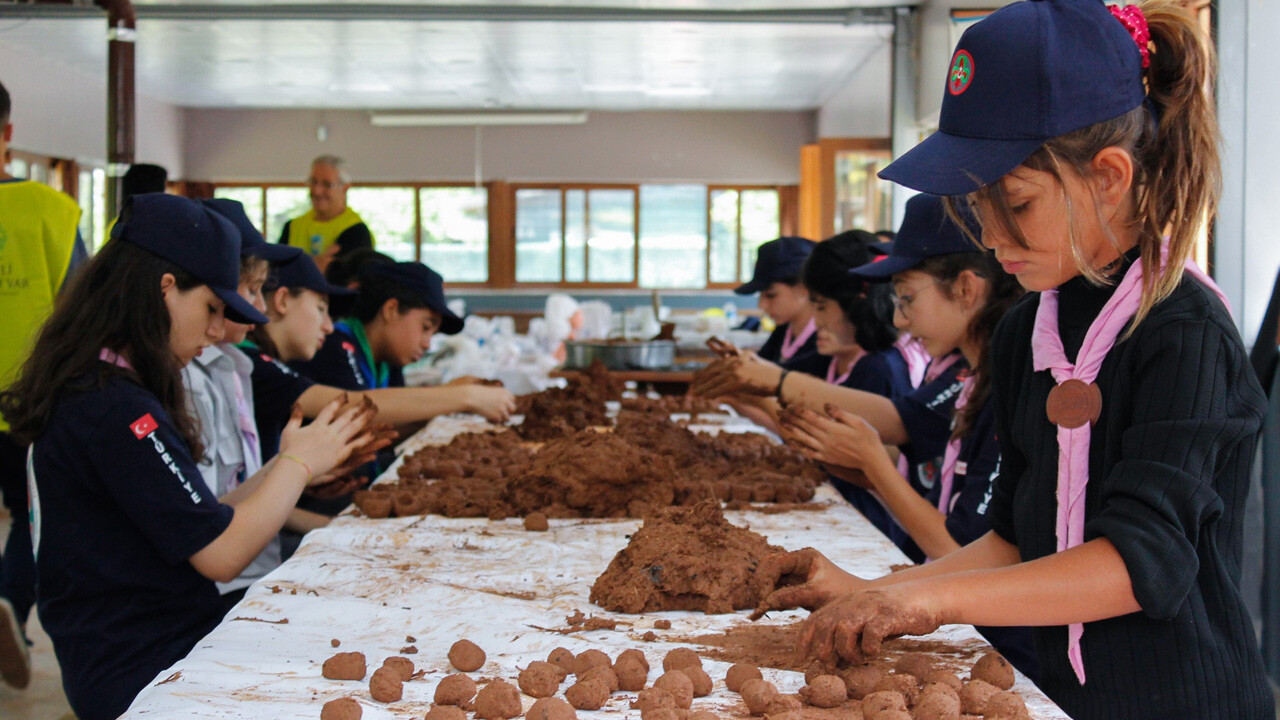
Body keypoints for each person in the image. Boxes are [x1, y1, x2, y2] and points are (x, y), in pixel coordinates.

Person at [780, 2, 1273, 718]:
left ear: (1109, 176)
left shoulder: (1184, 334)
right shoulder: (1023, 333)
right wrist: (872, 589)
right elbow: (1015, 538)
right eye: (978, 206)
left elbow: (1139, 563)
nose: (990, 234)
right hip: (1062, 694)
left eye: (1015, 201)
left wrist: (926, 598)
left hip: (1186, 700)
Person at [0, 194, 376, 719]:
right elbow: (219, 551)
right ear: (165, 289)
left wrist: (283, 463)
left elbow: (204, 511)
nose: (219, 331)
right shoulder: (114, 406)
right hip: (136, 661)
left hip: (165, 631)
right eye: (211, 310)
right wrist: (298, 466)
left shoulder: (113, 384)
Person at [774, 198, 1033, 678]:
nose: (899, 321)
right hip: (959, 618)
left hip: (1001, 646)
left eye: (907, 298)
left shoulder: (1008, 389)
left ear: (966, 288)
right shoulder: (965, 375)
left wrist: (874, 465)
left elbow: (964, 551)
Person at [185, 199, 375, 614]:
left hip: (253, 571)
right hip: (215, 592)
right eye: (250, 291)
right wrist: (295, 469)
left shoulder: (227, 363)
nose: (258, 309)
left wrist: (295, 473)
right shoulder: (195, 372)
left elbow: (223, 502)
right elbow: (212, 542)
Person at [0, 77, 89, 690]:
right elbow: (82, 316)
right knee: (29, 523)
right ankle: (10, 604)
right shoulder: (52, 212)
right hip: (26, 404)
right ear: (9, 134)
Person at [290, 261, 464, 392]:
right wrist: (457, 396)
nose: (427, 344)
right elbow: (365, 417)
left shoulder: (389, 361)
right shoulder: (333, 346)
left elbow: (395, 422)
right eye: (425, 328)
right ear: (392, 310)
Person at [732, 236, 825, 376]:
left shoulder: (825, 340)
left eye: (771, 295)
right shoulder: (784, 330)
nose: (762, 305)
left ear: (803, 287)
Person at [277, 155, 373, 273]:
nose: (317, 191)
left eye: (327, 184)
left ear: (345, 189)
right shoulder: (292, 226)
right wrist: (316, 263)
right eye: (313, 182)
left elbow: (351, 281)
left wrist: (299, 264)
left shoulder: (357, 232)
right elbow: (276, 272)